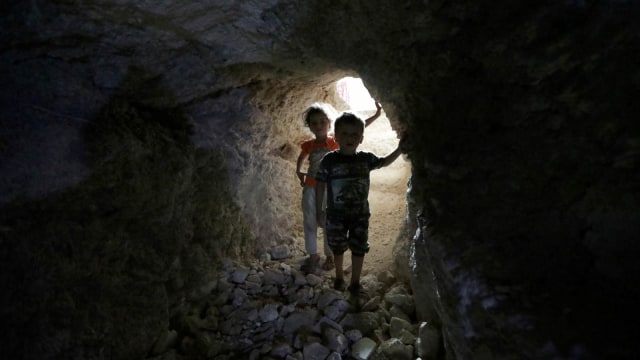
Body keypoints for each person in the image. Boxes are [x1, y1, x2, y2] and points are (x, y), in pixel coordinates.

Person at [315, 112, 407, 298]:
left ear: (361, 138)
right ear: (336, 136)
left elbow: (383, 162)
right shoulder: (329, 161)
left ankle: (355, 283)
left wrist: (400, 149)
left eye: (355, 134)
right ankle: (339, 277)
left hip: (360, 215)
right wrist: (319, 210)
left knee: (359, 247)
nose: (350, 138)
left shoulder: (365, 159)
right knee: (338, 246)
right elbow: (319, 185)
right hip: (335, 215)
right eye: (345, 134)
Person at [296, 101, 383, 273]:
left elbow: (357, 127)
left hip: (329, 189)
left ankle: (329, 255)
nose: (318, 126)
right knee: (309, 219)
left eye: (322, 122)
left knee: (329, 220)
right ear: (310, 126)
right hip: (311, 187)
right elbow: (302, 157)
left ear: (329, 124)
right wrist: (298, 171)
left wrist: (377, 115)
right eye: (314, 123)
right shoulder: (309, 145)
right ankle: (313, 255)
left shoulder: (334, 141)